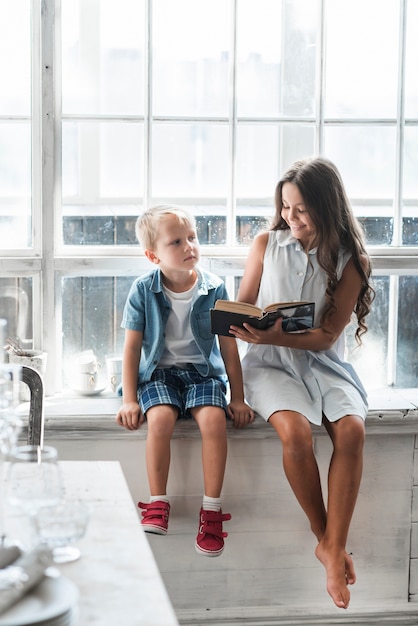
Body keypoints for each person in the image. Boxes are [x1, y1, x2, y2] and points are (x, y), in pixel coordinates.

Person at [229, 157, 374, 609]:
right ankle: (326, 542)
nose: (290, 218)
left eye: (301, 210)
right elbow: (244, 305)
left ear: (327, 209)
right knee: (294, 433)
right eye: (285, 207)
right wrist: (251, 326)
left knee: (351, 429)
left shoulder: (353, 259)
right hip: (269, 362)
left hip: (324, 361)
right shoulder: (266, 243)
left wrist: (282, 333)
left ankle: (334, 543)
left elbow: (330, 334)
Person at [116, 205, 254, 557]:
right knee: (160, 419)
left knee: (213, 420)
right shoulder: (143, 290)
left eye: (191, 237)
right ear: (153, 255)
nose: (189, 246)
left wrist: (237, 398)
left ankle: (211, 510)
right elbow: (132, 349)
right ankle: (158, 502)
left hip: (201, 373)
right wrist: (129, 399)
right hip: (158, 374)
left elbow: (227, 347)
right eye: (176, 241)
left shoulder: (215, 288)